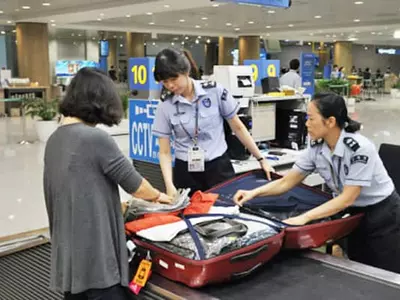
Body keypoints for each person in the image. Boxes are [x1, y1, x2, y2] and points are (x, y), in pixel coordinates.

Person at [234, 93, 400, 274]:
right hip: (352, 214)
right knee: (358, 267)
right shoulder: (316, 148)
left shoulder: (359, 149)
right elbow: (287, 182)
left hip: (382, 215)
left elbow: (347, 198)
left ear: (330, 121)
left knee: (384, 273)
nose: (306, 123)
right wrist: (253, 193)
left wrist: (305, 218)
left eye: (311, 118)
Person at [45, 67, 172, 299]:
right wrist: (163, 197)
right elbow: (136, 185)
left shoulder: (55, 138)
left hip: (70, 263)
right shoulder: (94, 138)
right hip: (97, 266)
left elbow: (80, 189)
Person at [152, 48, 273, 197]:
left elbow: (238, 127)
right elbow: (164, 152)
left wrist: (261, 159)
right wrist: (169, 185)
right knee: (191, 216)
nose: (170, 86)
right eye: (165, 81)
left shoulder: (214, 91)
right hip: (186, 172)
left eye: (174, 79)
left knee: (226, 211)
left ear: (186, 72)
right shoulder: (165, 105)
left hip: (218, 168)